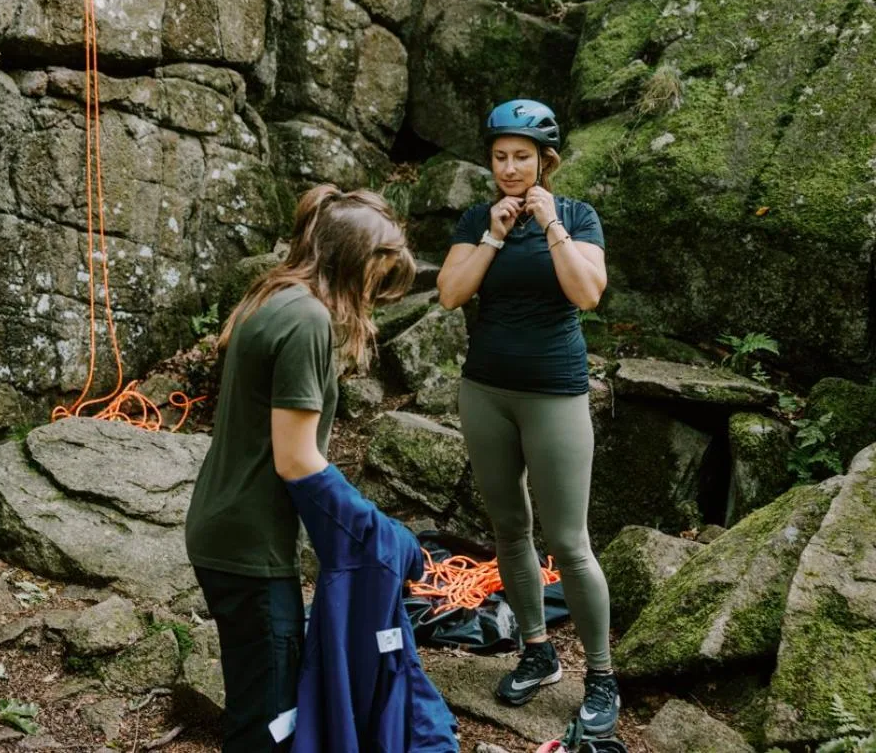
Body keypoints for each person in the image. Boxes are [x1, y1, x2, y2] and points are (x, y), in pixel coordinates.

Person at [184, 184, 416, 752]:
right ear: (353, 257)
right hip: (249, 546)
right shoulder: (308, 319)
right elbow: (296, 459)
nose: (379, 286)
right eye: (379, 268)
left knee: (258, 697)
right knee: (269, 719)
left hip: (227, 527)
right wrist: (374, 528)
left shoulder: (274, 294)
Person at [436, 99, 619, 737]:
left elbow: (587, 293)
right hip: (486, 390)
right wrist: (491, 233)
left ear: (546, 160)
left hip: (555, 392)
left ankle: (600, 676)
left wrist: (550, 227)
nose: (511, 168)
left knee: (569, 542)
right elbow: (452, 292)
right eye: (500, 157)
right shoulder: (475, 219)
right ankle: (537, 652)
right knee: (509, 530)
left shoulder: (576, 215)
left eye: (523, 157)